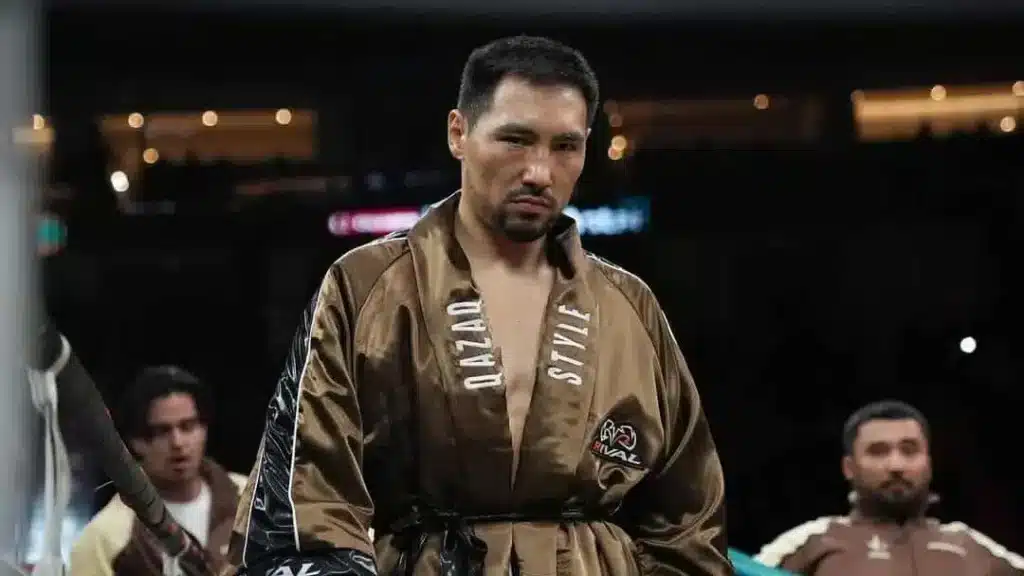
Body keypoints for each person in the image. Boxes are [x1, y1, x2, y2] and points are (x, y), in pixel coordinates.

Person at [227, 35, 732, 576]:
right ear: (459, 133)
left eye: (565, 146)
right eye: (516, 139)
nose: (539, 172)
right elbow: (307, 506)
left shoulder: (629, 305)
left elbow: (688, 523)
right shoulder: (367, 286)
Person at [754, 400, 1024, 575]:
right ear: (849, 467)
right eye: (878, 451)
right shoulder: (813, 540)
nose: (896, 465)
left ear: (928, 463)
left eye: (909, 450)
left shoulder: (971, 544)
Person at [70, 366, 247, 575]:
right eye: (162, 431)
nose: (178, 442)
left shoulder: (254, 499)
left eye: (188, 426)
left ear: (204, 429)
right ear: (136, 442)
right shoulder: (107, 537)